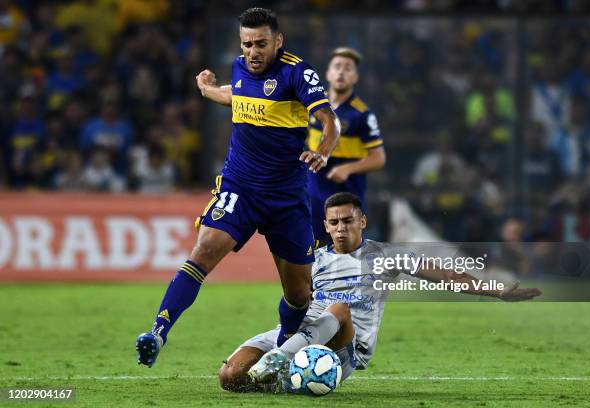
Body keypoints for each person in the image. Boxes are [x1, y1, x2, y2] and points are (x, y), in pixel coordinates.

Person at [135, 8, 340, 367]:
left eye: (261, 43)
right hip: (240, 187)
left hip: (286, 197)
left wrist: (322, 152)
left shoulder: (297, 72)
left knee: (298, 293)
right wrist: (206, 89)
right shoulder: (239, 66)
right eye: (247, 44)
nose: (253, 51)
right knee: (203, 251)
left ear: (278, 41)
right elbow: (238, 96)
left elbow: (329, 121)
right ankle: (157, 332)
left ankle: (281, 349)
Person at [218, 192, 542, 392]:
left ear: (363, 221)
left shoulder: (387, 255)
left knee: (340, 309)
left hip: (346, 347)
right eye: (335, 222)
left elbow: (445, 274)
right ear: (326, 225)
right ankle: (278, 381)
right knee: (229, 376)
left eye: (348, 221)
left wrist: (495, 290)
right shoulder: (313, 259)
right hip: (299, 333)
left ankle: (279, 361)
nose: (342, 228)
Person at [307, 47, 386, 246]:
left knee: (346, 252)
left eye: (348, 68)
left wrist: (347, 168)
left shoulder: (362, 115)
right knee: (310, 252)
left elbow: (378, 158)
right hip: (313, 193)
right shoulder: (313, 105)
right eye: (337, 67)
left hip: (345, 198)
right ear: (328, 73)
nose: (342, 72)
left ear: (356, 77)